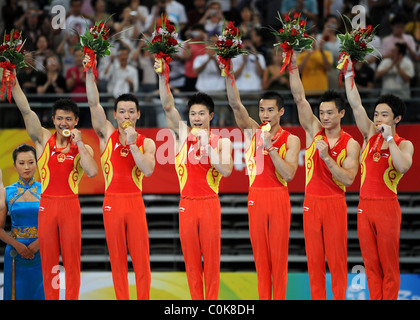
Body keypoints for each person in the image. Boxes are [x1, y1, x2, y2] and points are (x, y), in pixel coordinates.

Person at [9, 71, 98, 300]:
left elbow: (92, 171)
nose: (63, 123)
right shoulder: (43, 140)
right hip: (47, 207)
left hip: (70, 207)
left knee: (71, 262)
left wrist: (79, 142)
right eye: (60, 118)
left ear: (76, 121)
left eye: (69, 119)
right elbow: (26, 110)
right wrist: (14, 79)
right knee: (48, 261)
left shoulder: (82, 148)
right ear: (53, 120)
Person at [154, 58, 233, 300]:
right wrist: (162, 75)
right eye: (192, 114)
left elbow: (227, 171)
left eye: (201, 113)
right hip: (186, 204)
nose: (196, 117)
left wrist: (208, 149)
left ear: (211, 116)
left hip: (210, 203)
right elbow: (168, 107)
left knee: (211, 262)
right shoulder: (181, 136)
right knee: (191, 262)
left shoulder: (222, 142)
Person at [221, 60, 300, 299]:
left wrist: (271, 149)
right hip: (255, 198)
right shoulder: (253, 132)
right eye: (262, 110)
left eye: (270, 110)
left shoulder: (291, 140)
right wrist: (229, 74)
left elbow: (289, 174)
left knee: (278, 258)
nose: (265, 115)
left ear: (281, 112)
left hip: (278, 197)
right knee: (261, 260)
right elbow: (236, 105)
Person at [288, 52, 360, 300]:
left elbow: (349, 180)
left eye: (330, 113)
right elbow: (299, 98)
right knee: (314, 261)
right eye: (322, 112)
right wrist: (293, 66)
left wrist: (328, 157)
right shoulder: (313, 131)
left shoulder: (351, 144)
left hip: (334, 204)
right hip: (311, 204)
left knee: (337, 261)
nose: (324, 117)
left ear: (341, 114)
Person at [85, 55, 156, 300]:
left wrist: (133, 145)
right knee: (117, 260)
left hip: (134, 202)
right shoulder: (107, 135)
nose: (126, 116)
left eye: (131, 112)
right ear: (115, 115)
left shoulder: (147, 143)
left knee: (141, 260)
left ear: (138, 115)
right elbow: (94, 105)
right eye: (122, 112)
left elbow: (147, 170)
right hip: (112, 203)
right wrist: (88, 72)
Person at [344, 59, 414, 300]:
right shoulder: (370, 135)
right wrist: (348, 73)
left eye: (385, 115)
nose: (378, 118)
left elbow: (403, 166)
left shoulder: (405, 144)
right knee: (371, 265)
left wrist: (391, 140)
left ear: (397, 119)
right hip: (364, 207)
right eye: (376, 114)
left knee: (389, 266)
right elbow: (355, 104)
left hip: (387, 208)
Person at [0, 145, 44, 300]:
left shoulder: (46, 189)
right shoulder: (6, 192)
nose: (27, 167)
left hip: (43, 251)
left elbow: (56, 226)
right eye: (22, 163)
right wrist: (17, 245)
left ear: (37, 163)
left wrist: (40, 243)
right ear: (14, 165)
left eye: (31, 162)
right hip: (15, 253)